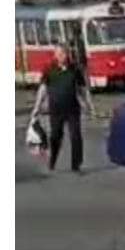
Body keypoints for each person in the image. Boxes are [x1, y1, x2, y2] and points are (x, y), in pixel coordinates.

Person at [29, 44, 96, 174]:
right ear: (55, 55)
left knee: (76, 136)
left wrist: (89, 106)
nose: (62, 56)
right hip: (56, 109)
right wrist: (36, 107)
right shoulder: (49, 69)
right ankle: (52, 161)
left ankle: (76, 165)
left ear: (68, 55)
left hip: (72, 109)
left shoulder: (75, 69)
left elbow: (82, 89)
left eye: (64, 54)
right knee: (55, 136)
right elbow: (43, 89)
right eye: (59, 54)